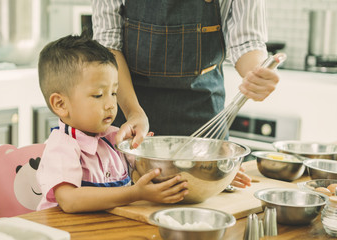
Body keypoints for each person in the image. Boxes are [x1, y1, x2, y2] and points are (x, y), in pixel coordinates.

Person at [92, 0, 280, 188]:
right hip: (130, 112)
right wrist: (133, 112)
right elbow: (108, 46)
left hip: (202, 109)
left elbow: (246, 42)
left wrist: (257, 74)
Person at [36, 33, 189, 213]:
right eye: (98, 95)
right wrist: (135, 193)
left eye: (114, 93)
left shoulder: (114, 138)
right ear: (60, 104)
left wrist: (144, 155)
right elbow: (70, 201)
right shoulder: (62, 146)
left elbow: (139, 176)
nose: (110, 104)